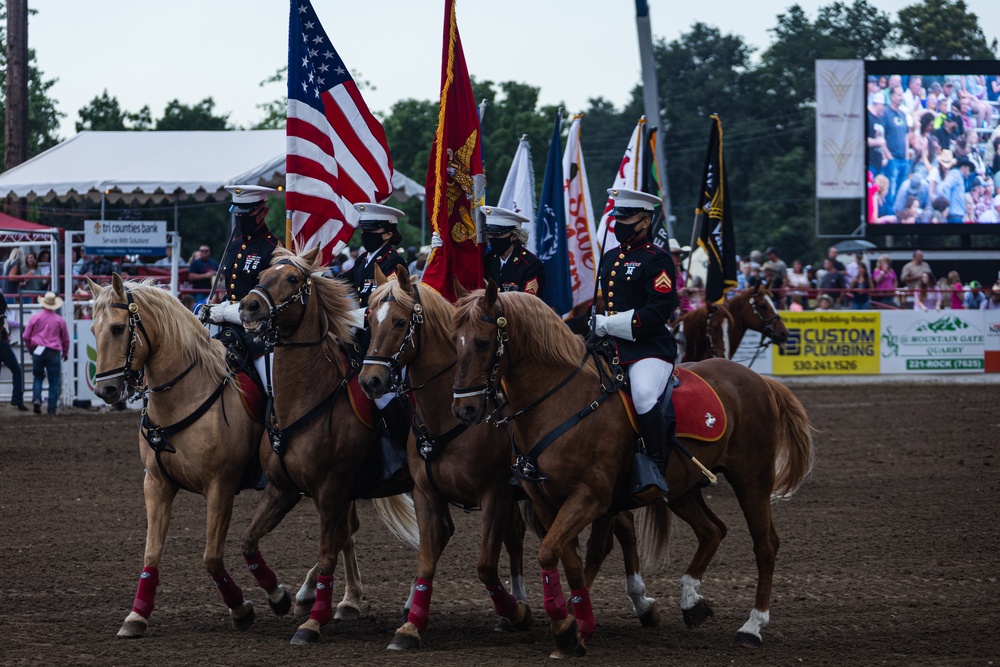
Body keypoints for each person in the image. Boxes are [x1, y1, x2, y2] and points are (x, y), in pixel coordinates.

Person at [592, 188, 678, 501]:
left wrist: (611, 324)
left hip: (648, 347)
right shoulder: (611, 258)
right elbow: (606, 304)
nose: (619, 223)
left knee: (643, 395)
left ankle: (655, 466)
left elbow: (657, 312)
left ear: (644, 221)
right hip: (610, 346)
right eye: (617, 217)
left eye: (626, 218)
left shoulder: (658, 259)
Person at [342, 202, 408, 309]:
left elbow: (392, 299)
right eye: (364, 230)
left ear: (388, 234)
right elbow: (342, 282)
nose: (366, 234)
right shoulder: (362, 259)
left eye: (371, 230)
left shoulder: (393, 261)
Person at [479, 205, 545, 297]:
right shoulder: (489, 260)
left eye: (498, 235)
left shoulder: (531, 264)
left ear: (514, 236)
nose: (492, 238)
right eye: (490, 234)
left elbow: (528, 303)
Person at [21, 292, 70, 415]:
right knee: (53, 380)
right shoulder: (59, 320)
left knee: (38, 377)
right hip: (53, 351)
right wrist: (65, 352)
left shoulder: (35, 318)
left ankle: (37, 399)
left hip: (38, 349)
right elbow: (65, 339)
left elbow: (26, 336)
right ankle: (51, 408)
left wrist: (30, 348)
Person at [1, 301, 28, 410]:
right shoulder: (2, 313)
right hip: (2, 344)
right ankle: (17, 400)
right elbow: (7, 326)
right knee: (17, 370)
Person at [668, 239, 690, 316]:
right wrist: (677, 293)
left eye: (680, 254)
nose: (679, 257)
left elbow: (686, 303)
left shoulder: (679, 275)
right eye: (676, 254)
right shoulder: (662, 275)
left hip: (681, 313)